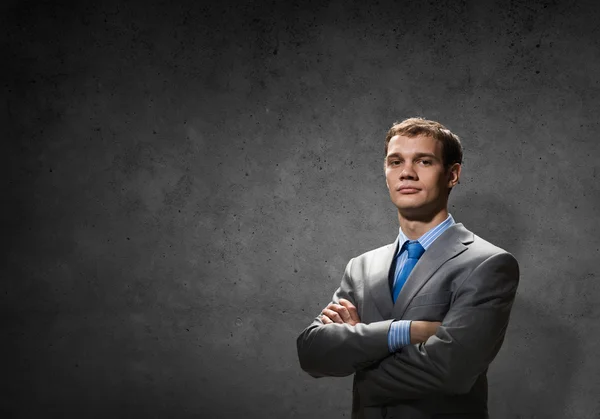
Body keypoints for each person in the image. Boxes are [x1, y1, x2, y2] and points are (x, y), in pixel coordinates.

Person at [296, 117, 520, 419]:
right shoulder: (362, 267)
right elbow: (313, 353)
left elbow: (450, 372)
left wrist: (359, 360)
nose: (407, 173)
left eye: (424, 161)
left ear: (452, 174)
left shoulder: (488, 263)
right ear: (386, 173)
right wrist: (403, 331)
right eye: (395, 161)